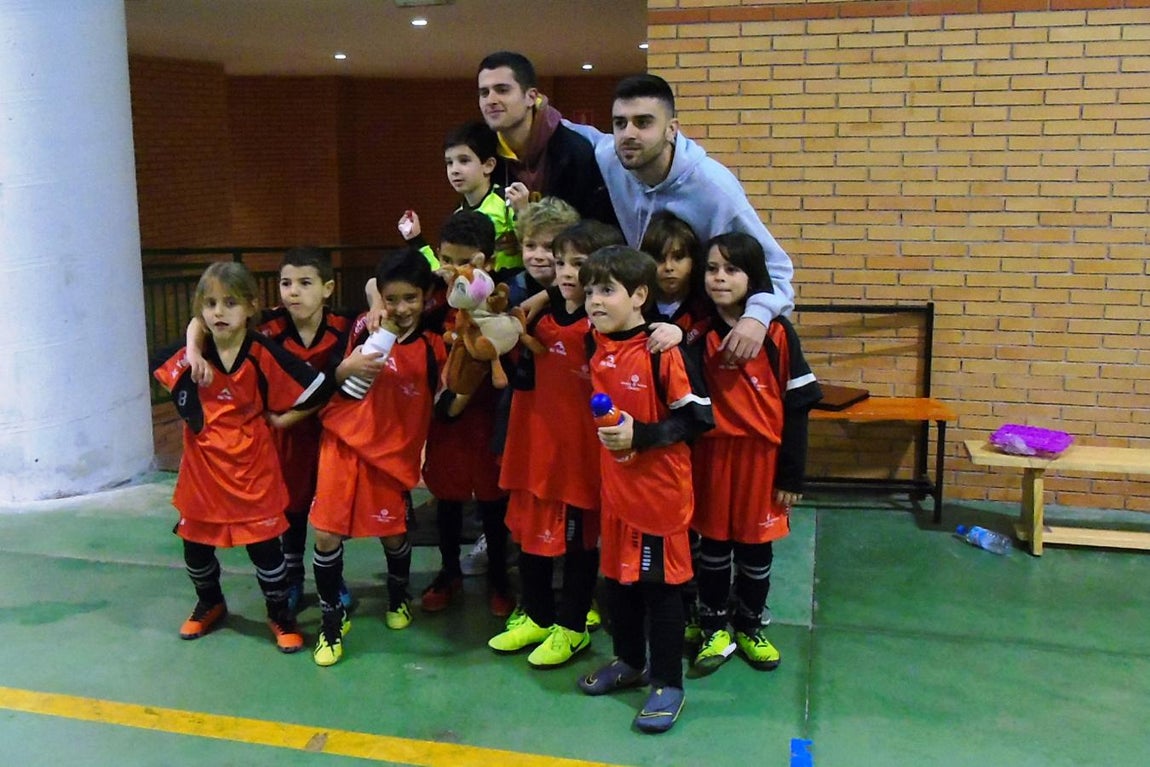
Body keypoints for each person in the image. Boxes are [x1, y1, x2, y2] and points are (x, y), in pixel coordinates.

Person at [151, 261, 328, 654]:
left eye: (229, 303)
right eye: (210, 304)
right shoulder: (192, 356)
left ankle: (280, 613)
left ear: (250, 307)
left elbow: (317, 389)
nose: (218, 312)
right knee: (195, 548)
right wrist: (193, 347)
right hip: (203, 474)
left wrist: (283, 419)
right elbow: (160, 364)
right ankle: (210, 601)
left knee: (267, 552)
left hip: (253, 472)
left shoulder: (263, 353)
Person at [575, 245, 713, 734]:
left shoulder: (663, 350)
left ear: (639, 296)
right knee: (618, 583)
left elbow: (697, 419)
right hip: (616, 493)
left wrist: (643, 435)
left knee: (661, 591)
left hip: (659, 496)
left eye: (607, 290)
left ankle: (670, 682)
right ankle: (630, 662)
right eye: (590, 290)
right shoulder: (594, 342)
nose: (594, 300)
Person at [564, 73, 795, 364]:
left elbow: (777, 267)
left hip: (702, 330)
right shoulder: (611, 155)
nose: (628, 133)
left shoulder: (713, 188)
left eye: (643, 122)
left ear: (672, 129)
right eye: (620, 123)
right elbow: (577, 133)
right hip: (647, 320)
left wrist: (757, 317)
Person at [185, 247, 357, 614]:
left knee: (329, 512)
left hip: (331, 431)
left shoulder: (345, 324)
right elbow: (206, 317)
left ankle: (332, 579)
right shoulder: (268, 326)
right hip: (285, 436)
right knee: (291, 509)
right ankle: (292, 578)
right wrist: (191, 351)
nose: (293, 291)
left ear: (327, 288)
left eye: (304, 283)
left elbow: (376, 293)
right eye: (285, 283)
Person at [489, 220, 624, 668]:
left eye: (578, 264)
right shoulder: (538, 317)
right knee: (528, 538)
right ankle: (540, 616)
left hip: (577, 457)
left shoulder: (601, 329)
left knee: (577, 546)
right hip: (533, 448)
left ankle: (572, 628)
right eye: (562, 262)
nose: (565, 271)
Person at [688, 232, 821, 676]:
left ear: (754, 277)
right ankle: (713, 627)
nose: (720, 278)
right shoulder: (697, 333)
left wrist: (792, 476)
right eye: (711, 269)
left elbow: (799, 406)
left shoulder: (778, 334)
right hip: (712, 459)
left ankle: (749, 624)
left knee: (755, 549)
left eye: (732, 269)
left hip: (761, 462)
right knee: (713, 549)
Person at [309, 247, 448, 667]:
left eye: (411, 299)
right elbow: (331, 379)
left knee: (393, 536)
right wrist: (346, 366)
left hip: (392, 460)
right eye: (392, 299)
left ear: (426, 299)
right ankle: (331, 622)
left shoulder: (434, 347)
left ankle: (398, 595)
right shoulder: (360, 329)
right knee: (326, 535)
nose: (401, 308)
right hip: (342, 444)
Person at [418, 210, 516, 618]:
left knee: (493, 502)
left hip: (487, 415)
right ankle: (449, 571)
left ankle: (498, 574)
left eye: (463, 260)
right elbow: (382, 284)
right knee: (447, 497)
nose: (451, 270)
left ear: (487, 263)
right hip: (446, 421)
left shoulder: (498, 300)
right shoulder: (434, 300)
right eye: (445, 259)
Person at [476, 51, 616, 227]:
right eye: (484, 93)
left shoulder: (575, 151)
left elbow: (594, 231)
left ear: (531, 97)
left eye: (502, 90)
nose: (491, 100)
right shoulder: (482, 152)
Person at [399, 120, 521, 280]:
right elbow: (448, 273)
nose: (454, 170)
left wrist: (520, 234)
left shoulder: (508, 200)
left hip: (513, 290)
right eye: (449, 163)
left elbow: (536, 247)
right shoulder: (458, 215)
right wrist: (416, 240)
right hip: (469, 297)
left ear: (488, 165)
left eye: (464, 161)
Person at [504, 196, 580, 308]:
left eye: (549, 247)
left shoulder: (582, 293)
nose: (538, 256)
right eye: (530, 246)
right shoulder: (510, 291)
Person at [639, 211, 704, 333]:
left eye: (678, 257)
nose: (668, 267)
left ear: (693, 260)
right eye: (659, 259)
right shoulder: (635, 307)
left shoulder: (705, 309)